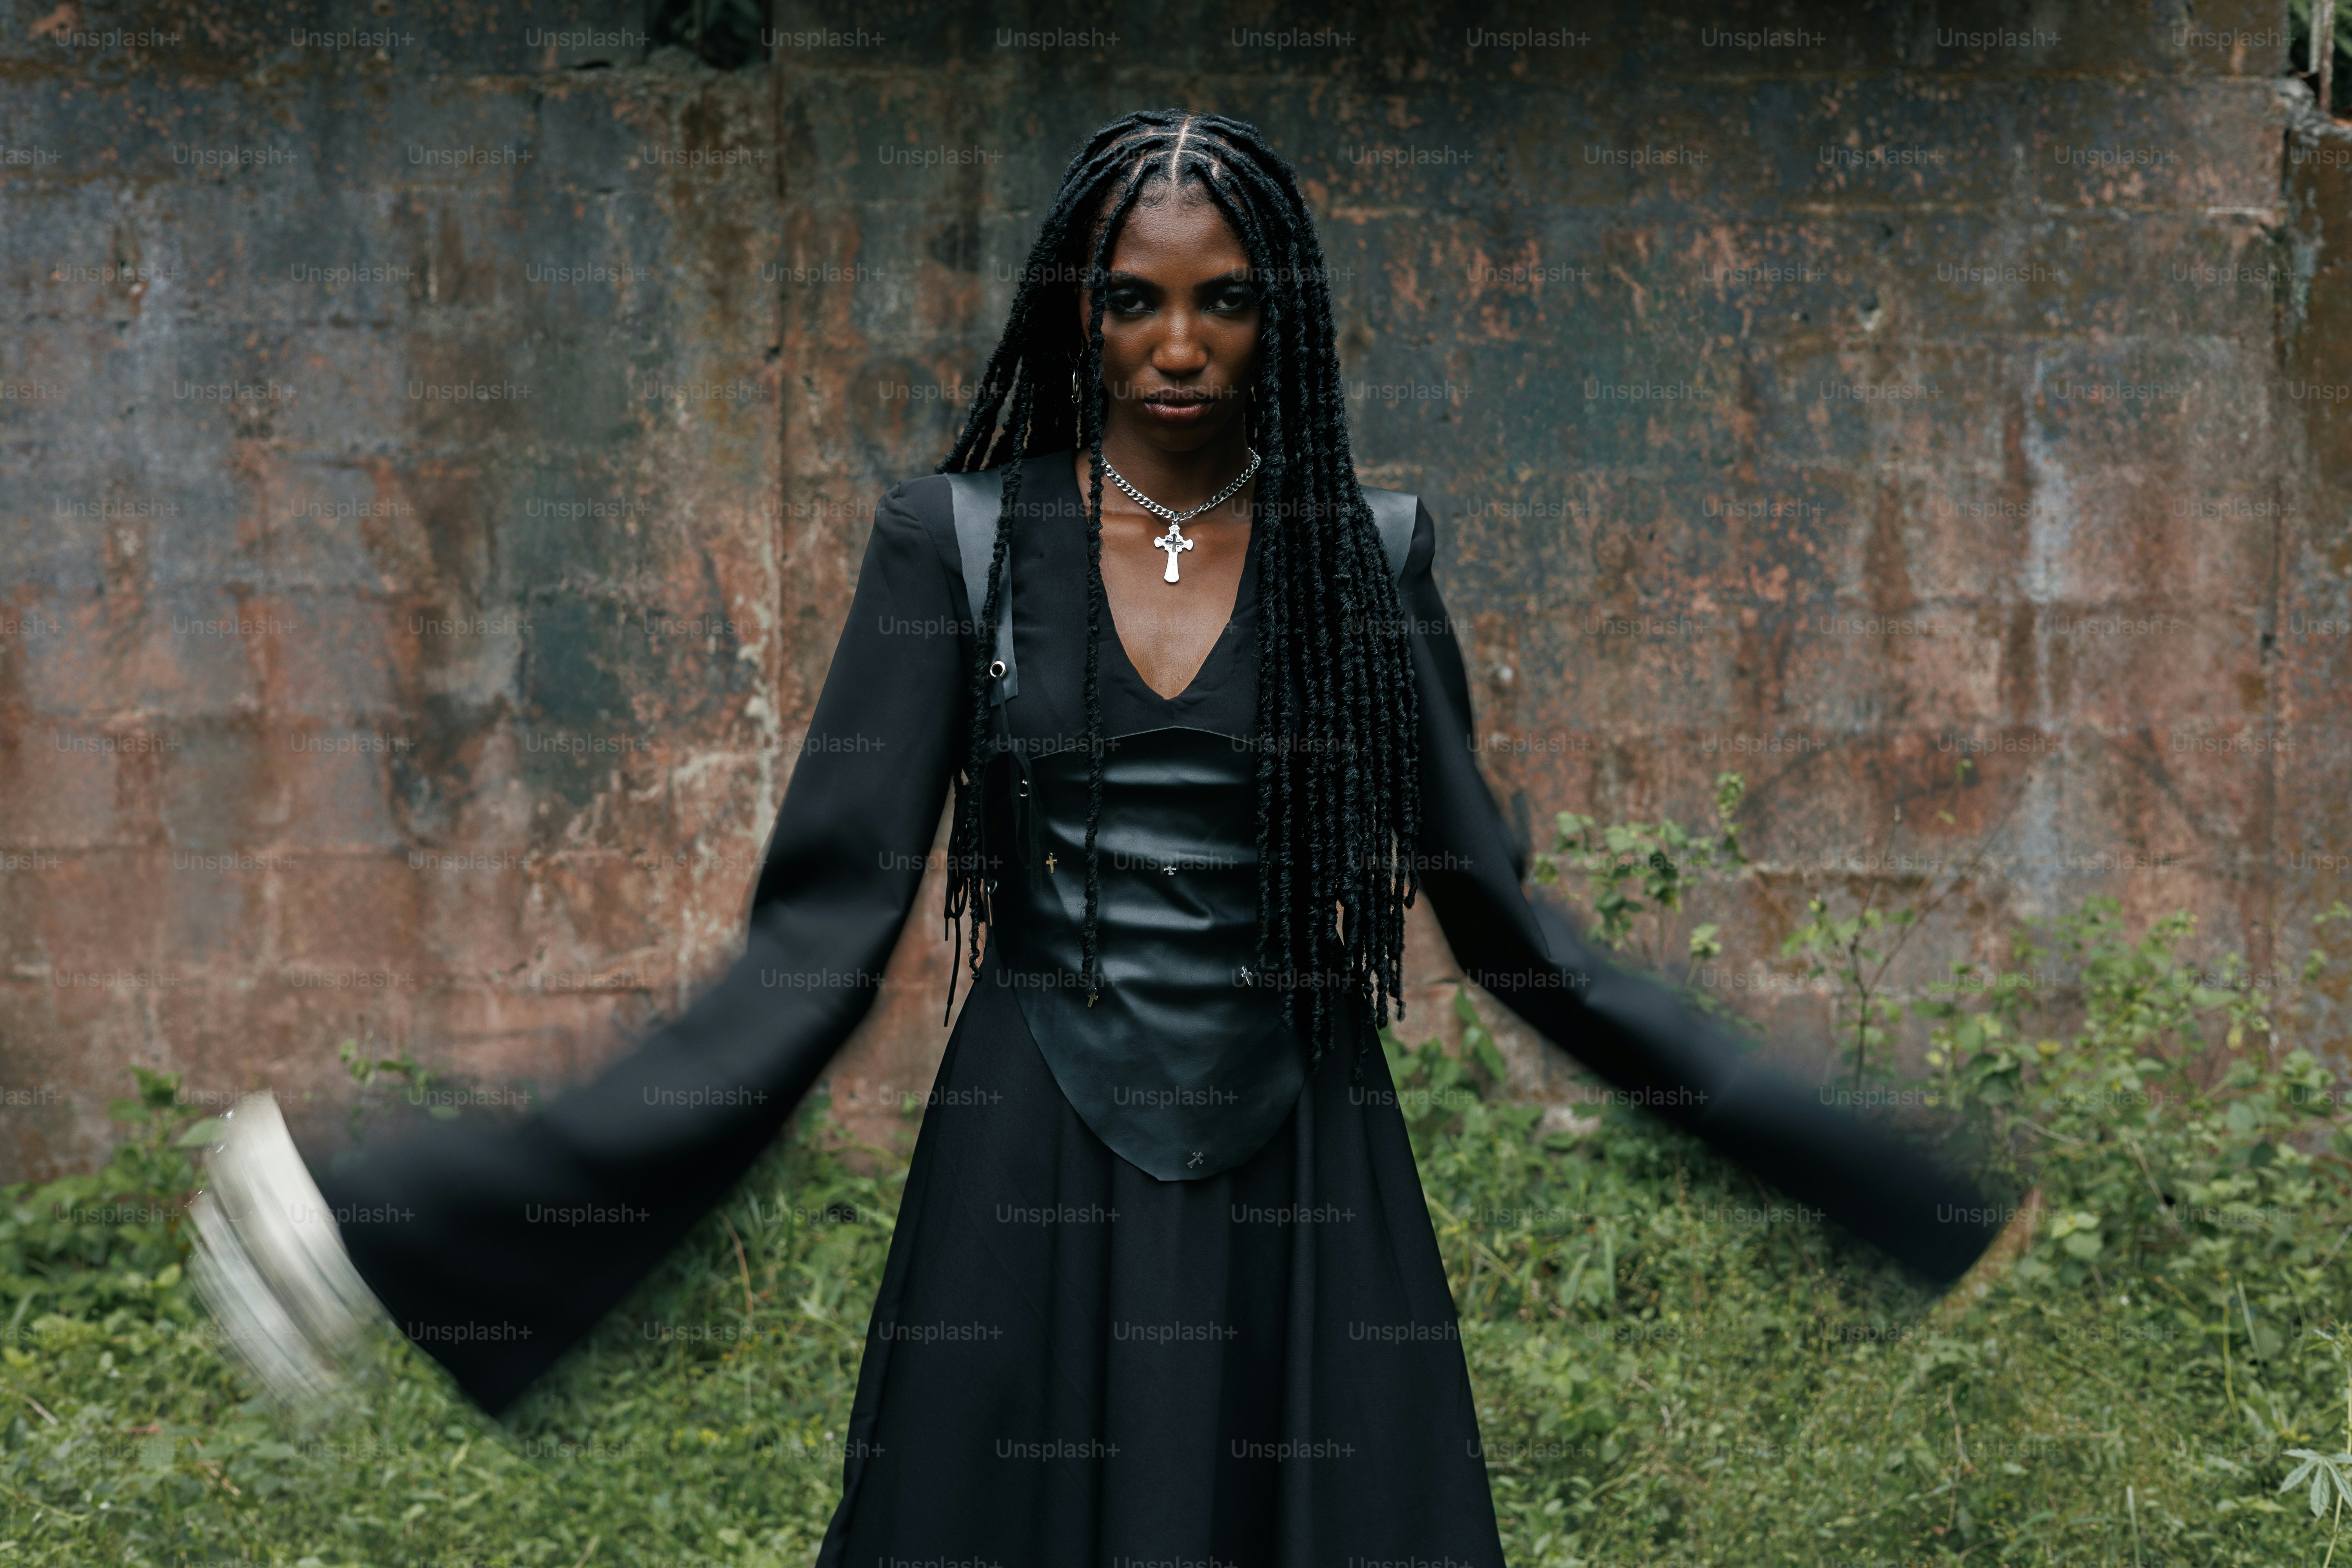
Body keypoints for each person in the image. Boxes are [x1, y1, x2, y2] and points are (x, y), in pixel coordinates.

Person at [191, 109, 2005, 1566]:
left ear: (1282, 313)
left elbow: (1518, 940)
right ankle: (374, 1224)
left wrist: (1872, 1172)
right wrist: (435, 1215)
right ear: (1080, 306)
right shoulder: (954, 544)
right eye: (1136, 300)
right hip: (1029, 1168)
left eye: (1224, 301)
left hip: (1307, 1184)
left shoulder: (1369, 556)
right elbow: (813, 954)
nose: (1180, 346)